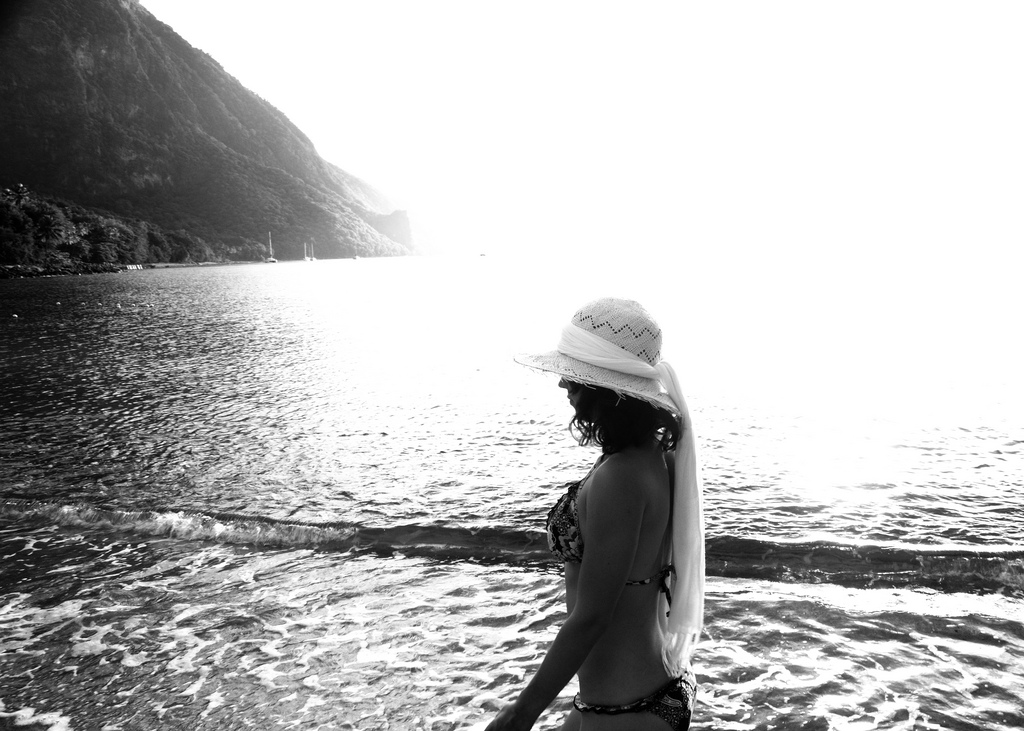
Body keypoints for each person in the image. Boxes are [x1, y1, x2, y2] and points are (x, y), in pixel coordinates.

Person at [486, 297, 705, 731]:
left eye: (575, 375)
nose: (564, 385)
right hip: (650, 694)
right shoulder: (653, 454)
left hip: (626, 711)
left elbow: (591, 618)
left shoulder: (621, 476)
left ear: (608, 391)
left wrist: (520, 714)